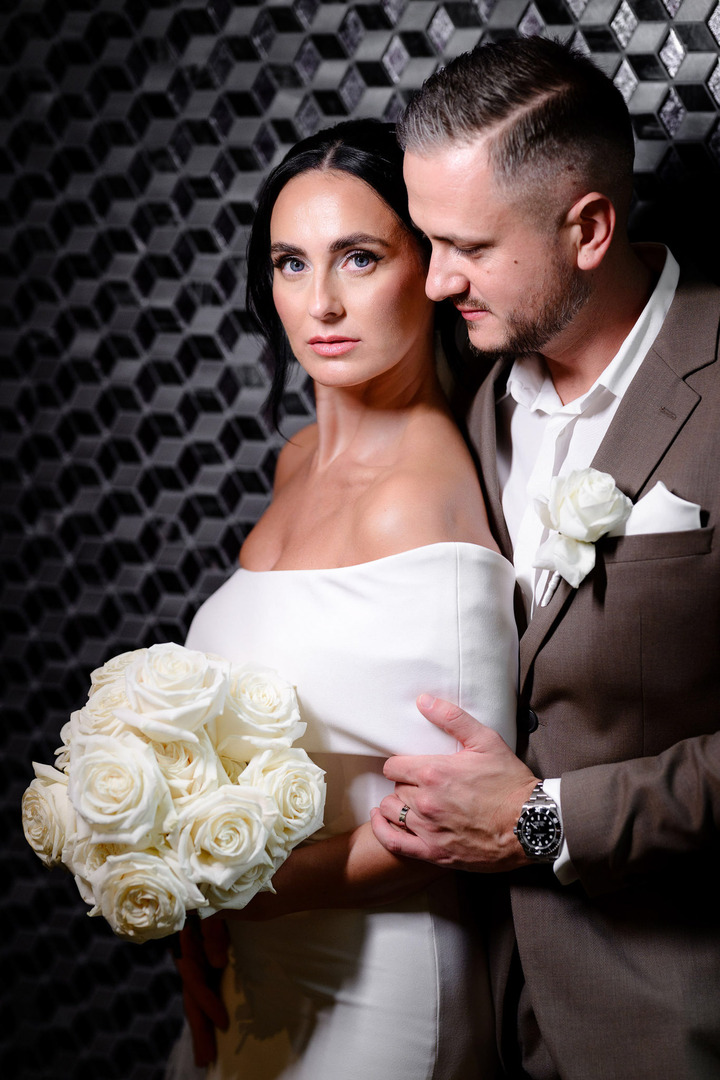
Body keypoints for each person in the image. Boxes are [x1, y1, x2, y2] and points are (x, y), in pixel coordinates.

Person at [370, 35, 720, 1080]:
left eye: (467, 247)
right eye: (427, 241)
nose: (434, 283)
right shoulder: (475, 406)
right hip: (482, 1010)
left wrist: (542, 824)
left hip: (672, 1022)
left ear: (590, 228)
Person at [165, 118, 518, 1080]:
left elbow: (452, 814)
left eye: (358, 258)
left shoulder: (427, 490)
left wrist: (233, 892)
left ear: (429, 269)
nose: (319, 301)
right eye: (289, 262)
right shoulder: (294, 462)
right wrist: (196, 914)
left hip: (380, 977)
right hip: (258, 962)